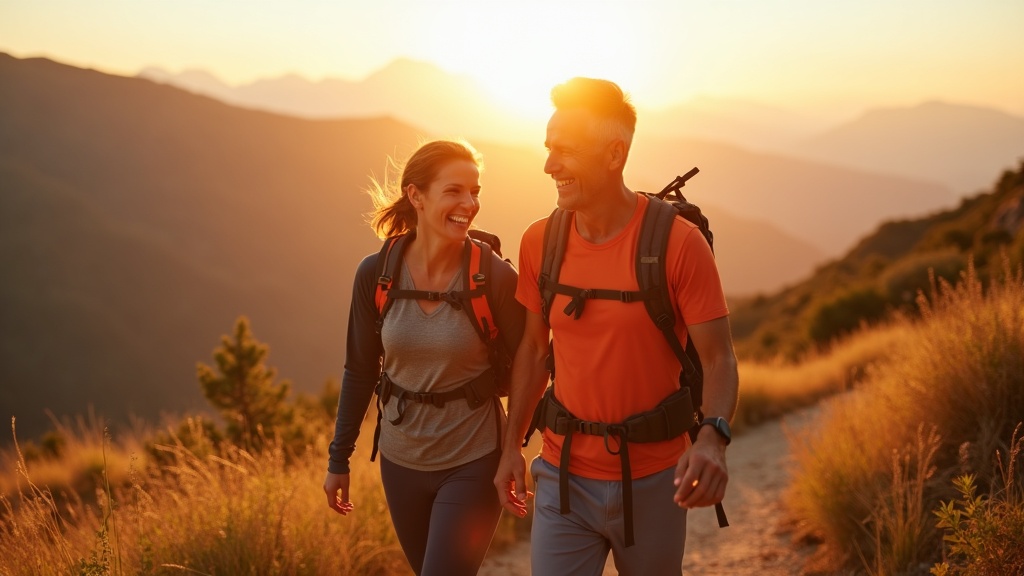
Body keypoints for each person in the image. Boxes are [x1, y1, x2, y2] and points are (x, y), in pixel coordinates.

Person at [493, 78, 739, 575]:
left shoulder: (679, 244)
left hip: (655, 481)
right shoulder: (540, 241)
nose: (549, 165)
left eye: (565, 151)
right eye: (547, 148)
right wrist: (511, 449)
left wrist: (712, 439)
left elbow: (719, 358)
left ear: (613, 153)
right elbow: (533, 352)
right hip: (561, 479)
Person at [324, 139, 525, 576]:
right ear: (416, 195)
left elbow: (534, 360)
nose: (469, 203)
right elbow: (359, 370)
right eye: (454, 191)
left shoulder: (493, 275)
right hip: (401, 463)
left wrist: (514, 449)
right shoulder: (376, 273)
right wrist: (339, 459)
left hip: (475, 458)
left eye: (474, 191)